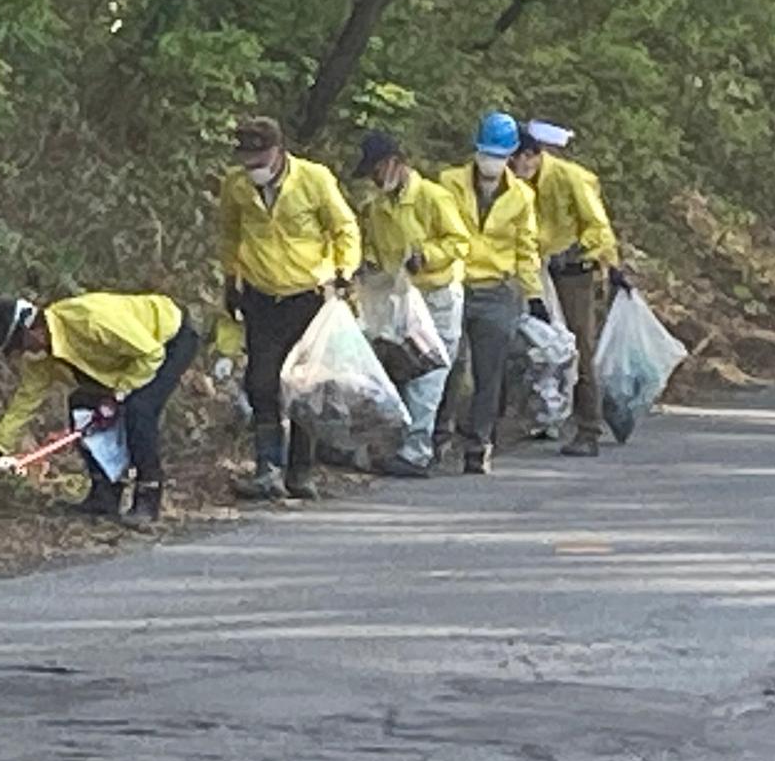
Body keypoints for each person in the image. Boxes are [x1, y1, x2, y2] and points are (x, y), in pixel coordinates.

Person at [218, 116, 362, 502]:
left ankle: (302, 471)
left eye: (259, 157)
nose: (254, 167)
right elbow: (230, 233)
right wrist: (231, 278)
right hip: (262, 297)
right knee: (261, 383)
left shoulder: (314, 179)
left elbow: (344, 227)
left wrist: (344, 270)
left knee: (305, 386)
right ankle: (268, 468)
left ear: (277, 151)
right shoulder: (236, 186)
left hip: (308, 296)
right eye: (247, 159)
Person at [0, 292, 199, 526]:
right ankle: (105, 492)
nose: (18, 354)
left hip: (167, 340)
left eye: (17, 346)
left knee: (139, 409)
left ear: (32, 330)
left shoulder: (90, 319)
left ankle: (148, 495)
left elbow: (151, 353)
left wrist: (119, 393)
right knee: (82, 405)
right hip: (127, 363)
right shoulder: (41, 357)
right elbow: (24, 404)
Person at [353, 129, 470, 478]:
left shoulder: (433, 197)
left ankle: (417, 451)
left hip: (436, 295)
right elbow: (374, 246)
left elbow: (459, 242)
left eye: (377, 169)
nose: (375, 178)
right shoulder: (376, 207)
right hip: (399, 296)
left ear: (395, 163)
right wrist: (368, 264)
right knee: (402, 366)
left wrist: (428, 257)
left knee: (429, 372)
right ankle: (400, 444)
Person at [511, 118, 629, 457]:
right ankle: (542, 416)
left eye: (516, 160)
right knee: (537, 346)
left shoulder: (568, 178)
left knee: (579, 347)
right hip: (536, 271)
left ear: (531, 155)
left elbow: (598, 228)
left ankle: (588, 428)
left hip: (575, 273)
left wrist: (580, 250)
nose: (512, 168)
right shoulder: (516, 185)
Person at [437, 111, 544, 476]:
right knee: (448, 364)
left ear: (511, 155)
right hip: (453, 282)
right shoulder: (449, 184)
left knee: (489, 372)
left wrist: (534, 295)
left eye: (499, 155)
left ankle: (479, 443)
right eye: (486, 153)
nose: (491, 162)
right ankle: (437, 437)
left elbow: (526, 247)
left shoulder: (521, 197)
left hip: (497, 290)